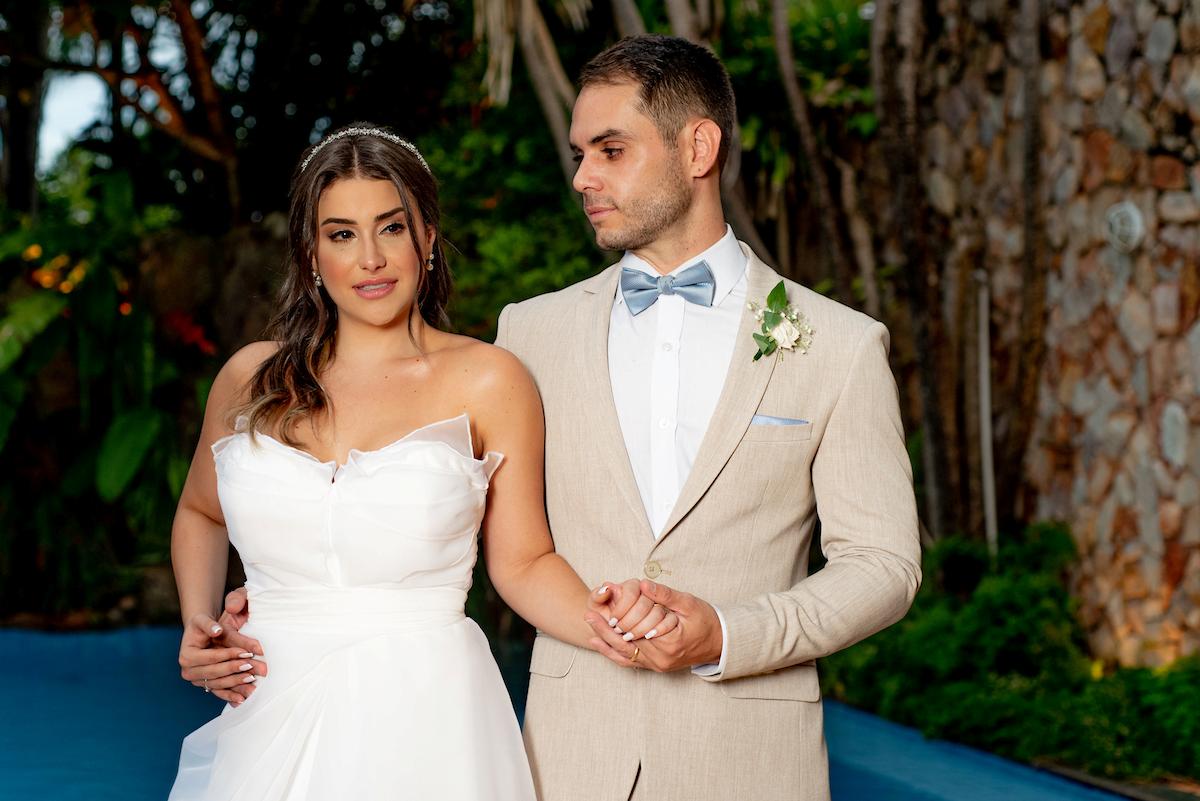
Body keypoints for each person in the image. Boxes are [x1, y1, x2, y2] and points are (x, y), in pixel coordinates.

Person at [167, 124, 665, 800]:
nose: (370, 257)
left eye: (391, 228)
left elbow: (521, 561)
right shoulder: (249, 378)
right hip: (266, 709)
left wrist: (618, 627)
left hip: (426, 719)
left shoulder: (490, 379)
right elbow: (200, 509)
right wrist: (200, 621)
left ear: (427, 237)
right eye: (341, 234)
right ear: (311, 253)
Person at [493, 35, 922, 801]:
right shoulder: (529, 335)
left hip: (752, 764)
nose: (583, 177)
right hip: (569, 762)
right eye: (579, 153)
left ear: (699, 147)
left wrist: (728, 631)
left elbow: (884, 566)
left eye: (611, 149)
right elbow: (470, 528)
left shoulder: (841, 345)